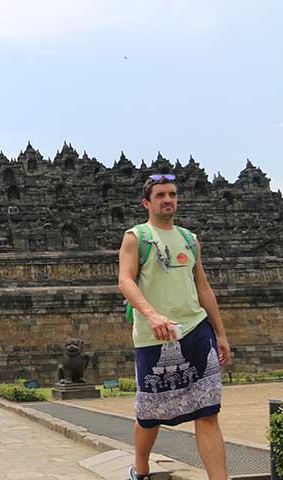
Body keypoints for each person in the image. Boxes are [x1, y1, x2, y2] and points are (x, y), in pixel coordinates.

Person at [118, 174, 231, 480]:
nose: (168, 200)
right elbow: (125, 280)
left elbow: (203, 287)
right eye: (160, 195)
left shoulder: (189, 239)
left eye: (172, 194)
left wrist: (220, 333)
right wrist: (151, 314)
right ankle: (141, 469)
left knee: (208, 412)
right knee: (150, 413)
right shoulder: (136, 237)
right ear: (147, 202)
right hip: (155, 336)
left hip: (197, 331)